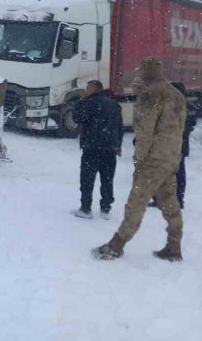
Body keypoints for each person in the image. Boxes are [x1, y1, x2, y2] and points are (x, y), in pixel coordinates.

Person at [94, 57, 187, 262]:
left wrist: (140, 159)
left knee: (137, 201)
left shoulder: (151, 95)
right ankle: (174, 245)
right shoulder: (176, 94)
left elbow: (144, 132)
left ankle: (117, 244)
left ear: (145, 73)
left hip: (153, 158)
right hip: (172, 157)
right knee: (169, 200)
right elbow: (180, 127)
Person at [71, 80, 124, 220]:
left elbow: (77, 118)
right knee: (107, 179)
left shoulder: (89, 103)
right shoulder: (113, 104)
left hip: (92, 147)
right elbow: (119, 127)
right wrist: (117, 145)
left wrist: (79, 102)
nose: (85, 90)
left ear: (94, 89)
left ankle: (86, 208)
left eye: (87, 88)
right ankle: (105, 208)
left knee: (87, 179)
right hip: (109, 149)